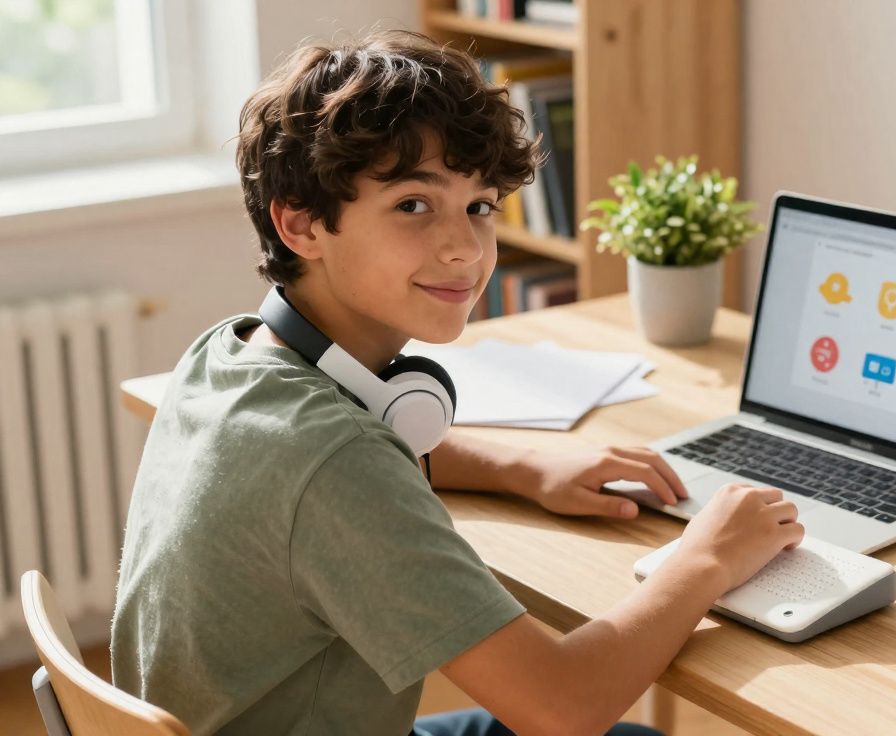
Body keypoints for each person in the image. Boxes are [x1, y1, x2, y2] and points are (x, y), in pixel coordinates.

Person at [111, 30, 802, 736]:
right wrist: (706, 556)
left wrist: (521, 464)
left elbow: (347, 455)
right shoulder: (335, 466)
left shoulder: (228, 356)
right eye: (414, 205)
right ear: (302, 223)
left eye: (479, 206)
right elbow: (563, 707)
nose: (466, 249)